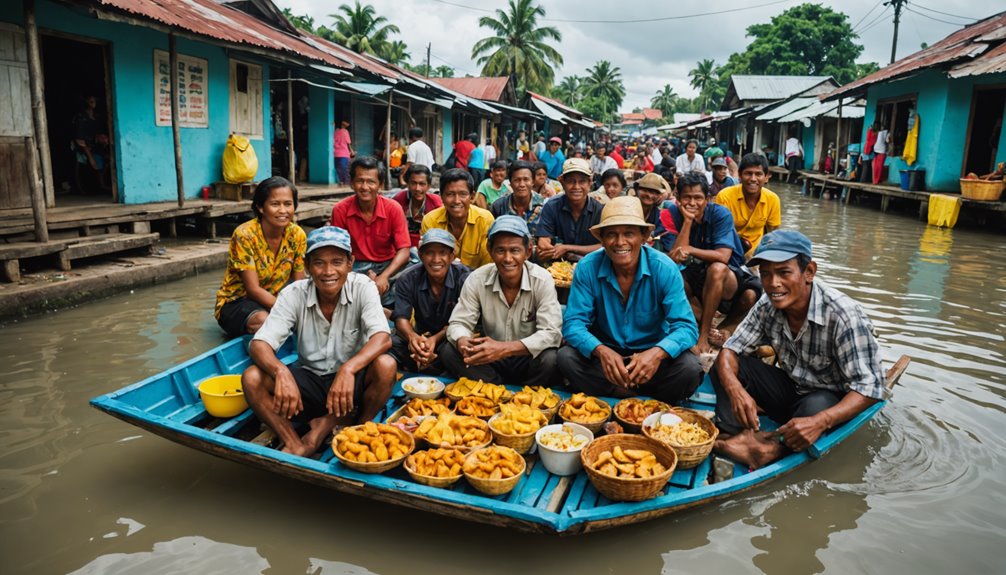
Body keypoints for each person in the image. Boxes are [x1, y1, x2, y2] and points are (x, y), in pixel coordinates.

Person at [711, 230, 887, 469]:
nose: (773, 284)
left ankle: (771, 448)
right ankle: (739, 435)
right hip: (792, 388)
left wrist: (822, 421)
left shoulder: (843, 315)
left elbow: (871, 388)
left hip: (827, 401)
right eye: (766, 274)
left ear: (809, 272)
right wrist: (735, 389)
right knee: (724, 365)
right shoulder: (768, 304)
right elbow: (731, 349)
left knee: (816, 406)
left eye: (784, 272)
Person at [241, 226, 396, 456]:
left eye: (336, 262)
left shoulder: (364, 287)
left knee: (386, 365)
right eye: (319, 263)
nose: (328, 271)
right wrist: (281, 371)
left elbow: (382, 338)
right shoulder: (293, 294)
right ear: (307, 267)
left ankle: (356, 427)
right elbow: (259, 343)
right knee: (252, 378)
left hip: (352, 385)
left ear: (350, 263)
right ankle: (295, 441)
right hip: (310, 383)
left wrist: (348, 369)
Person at [558, 196, 703, 403]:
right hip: (607, 357)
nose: (620, 242)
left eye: (628, 233)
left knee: (689, 369)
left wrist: (657, 353)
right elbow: (573, 324)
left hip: (652, 355)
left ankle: (633, 395)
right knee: (566, 358)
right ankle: (627, 394)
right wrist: (601, 351)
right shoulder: (587, 267)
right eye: (611, 235)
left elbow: (687, 327)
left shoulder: (664, 268)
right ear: (602, 239)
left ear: (643, 236)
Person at [441, 216, 562, 386]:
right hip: (490, 357)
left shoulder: (541, 280)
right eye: (500, 250)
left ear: (527, 252)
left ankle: (527, 392)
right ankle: (497, 388)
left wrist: (504, 349)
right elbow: (459, 323)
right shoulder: (477, 279)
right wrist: (463, 341)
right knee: (449, 351)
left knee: (550, 358)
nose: (507, 258)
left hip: (525, 355)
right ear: (490, 251)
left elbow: (551, 333)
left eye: (515, 250)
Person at [662, 172, 761, 354]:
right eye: (687, 198)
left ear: (707, 199)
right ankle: (705, 323)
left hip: (729, 276)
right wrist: (688, 222)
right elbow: (675, 257)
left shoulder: (720, 214)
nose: (692, 203)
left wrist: (691, 250)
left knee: (718, 270)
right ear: (677, 198)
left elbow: (723, 257)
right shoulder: (673, 213)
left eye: (698, 198)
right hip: (698, 274)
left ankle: (705, 334)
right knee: (668, 280)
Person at [214, 177, 307, 338]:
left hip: (274, 302)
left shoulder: (297, 235)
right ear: (261, 207)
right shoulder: (245, 235)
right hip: (237, 302)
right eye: (275, 204)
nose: (283, 210)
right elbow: (252, 289)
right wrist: (289, 312)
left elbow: (299, 283)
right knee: (265, 321)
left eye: (288, 204)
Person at [330, 156, 411, 309]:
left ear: (380, 185)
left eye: (371, 182)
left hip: (388, 265)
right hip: (355, 266)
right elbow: (337, 252)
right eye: (360, 181)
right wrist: (363, 279)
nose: (365, 187)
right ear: (352, 183)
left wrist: (384, 276)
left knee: (417, 267)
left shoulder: (393, 208)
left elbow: (404, 250)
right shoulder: (340, 210)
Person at [389, 229, 470, 373]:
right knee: (392, 341)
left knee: (451, 349)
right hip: (422, 336)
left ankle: (434, 365)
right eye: (429, 253)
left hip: (449, 336)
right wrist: (413, 338)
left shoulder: (465, 278)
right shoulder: (408, 278)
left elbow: (464, 322)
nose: (436, 259)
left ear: (452, 256)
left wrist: (434, 340)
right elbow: (401, 318)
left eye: (443, 253)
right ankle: (417, 367)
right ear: (421, 255)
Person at [421, 168, 495, 269]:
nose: (456, 201)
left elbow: (488, 265)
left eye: (463, 194)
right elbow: (430, 261)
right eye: (450, 194)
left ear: (472, 197)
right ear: (441, 197)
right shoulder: (430, 220)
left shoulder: (485, 220)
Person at [715, 153, 781, 260]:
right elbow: (720, 233)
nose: (753, 179)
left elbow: (773, 235)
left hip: (758, 254)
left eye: (758, 174)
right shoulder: (725, 196)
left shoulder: (772, 199)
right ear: (740, 175)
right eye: (748, 174)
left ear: (766, 177)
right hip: (729, 251)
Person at [536, 158, 603, 263]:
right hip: (558, 268)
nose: (576, 187)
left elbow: (604, 246)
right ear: (562, 182)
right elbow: (543, 241)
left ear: (589, 183)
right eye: (571, 181)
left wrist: (567, 248)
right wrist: (547, 250)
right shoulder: (551, 207)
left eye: (582, 181)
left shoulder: (599, 210)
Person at [392, 164, 443, 249]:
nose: (417, 188)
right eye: (413, 183)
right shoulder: (398, 200)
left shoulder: (436, 204)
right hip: (402, 247)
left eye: (422, 184)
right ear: (407, 183)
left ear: (429, 186)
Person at [490, 160, 546, 237]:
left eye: (526, 179)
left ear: (532, 182)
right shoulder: (499, 206)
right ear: (510, 183)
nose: (522, 184)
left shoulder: (544, 205)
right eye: (517, 180)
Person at [72, 94, 110, 193]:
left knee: (106, 160)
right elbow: (80, 140)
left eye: (94, 101)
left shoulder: (97, 116)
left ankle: (102, 185)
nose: (94, 103)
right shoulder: (80, 117)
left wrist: (102, 138)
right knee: (84, 163)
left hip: (96, 145)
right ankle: (81, 189)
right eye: (91, 101)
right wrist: (90, 157)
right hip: (83, 146)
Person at [333, 119, 354, 185]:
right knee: (344, 169)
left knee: (338, 169)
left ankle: (341, 182)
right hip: (343, 153)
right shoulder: (345, 131)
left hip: (335, 153)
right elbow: (348, 143)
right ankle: (345, 183)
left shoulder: (335, 131)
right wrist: (352, 151)